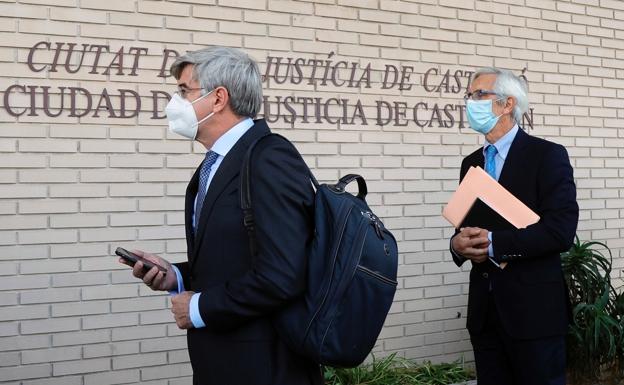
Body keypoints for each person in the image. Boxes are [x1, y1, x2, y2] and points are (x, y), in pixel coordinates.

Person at [119, 46, 322, 385]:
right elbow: (240, 259)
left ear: (218, 99)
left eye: (184, 90)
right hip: (223, 362)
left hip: (266, 367)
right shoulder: (218, 162)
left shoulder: (269, 158)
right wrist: (176, 277)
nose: (175, 101)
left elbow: (283, 274)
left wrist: (198, 308)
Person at [450, 68, 578, 385]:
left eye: (480, 95)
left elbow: (560, 231)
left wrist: (493, 244)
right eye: (469, 96)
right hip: (485, 314)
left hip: (534, 315)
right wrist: (458, 245)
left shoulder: (547, 156)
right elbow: (466, 226)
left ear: (507, 104)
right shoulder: (471, 163)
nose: (471, 102)